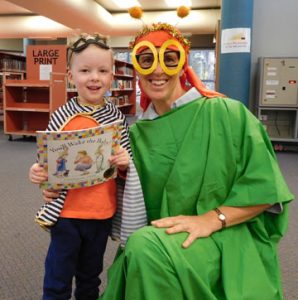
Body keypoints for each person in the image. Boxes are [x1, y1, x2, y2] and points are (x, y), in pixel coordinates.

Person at [98, 23, 294, 300]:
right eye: (146, 60)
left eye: (168, 59)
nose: (157, 70)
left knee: (143, 249)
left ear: (182, 65)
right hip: (164, 236)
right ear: (137, 69)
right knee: (140, 249)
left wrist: (212, 219)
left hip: (228, 235)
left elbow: (265, 189)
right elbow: (117, 198)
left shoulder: (227, 114)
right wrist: (56, 187)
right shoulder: (135, 135)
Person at [29, 33, 132, 300]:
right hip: (67, 214)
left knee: (90, 278)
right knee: (57, 276)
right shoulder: (61, 116)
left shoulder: (117, 119)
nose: (94, 77)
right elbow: (46, 163)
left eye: (102, 71)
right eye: (85, 70)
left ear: (112, 77)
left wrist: (124, 163)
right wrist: (38, 174)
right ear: (71, 76)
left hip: (101, 213)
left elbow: (127, 168)